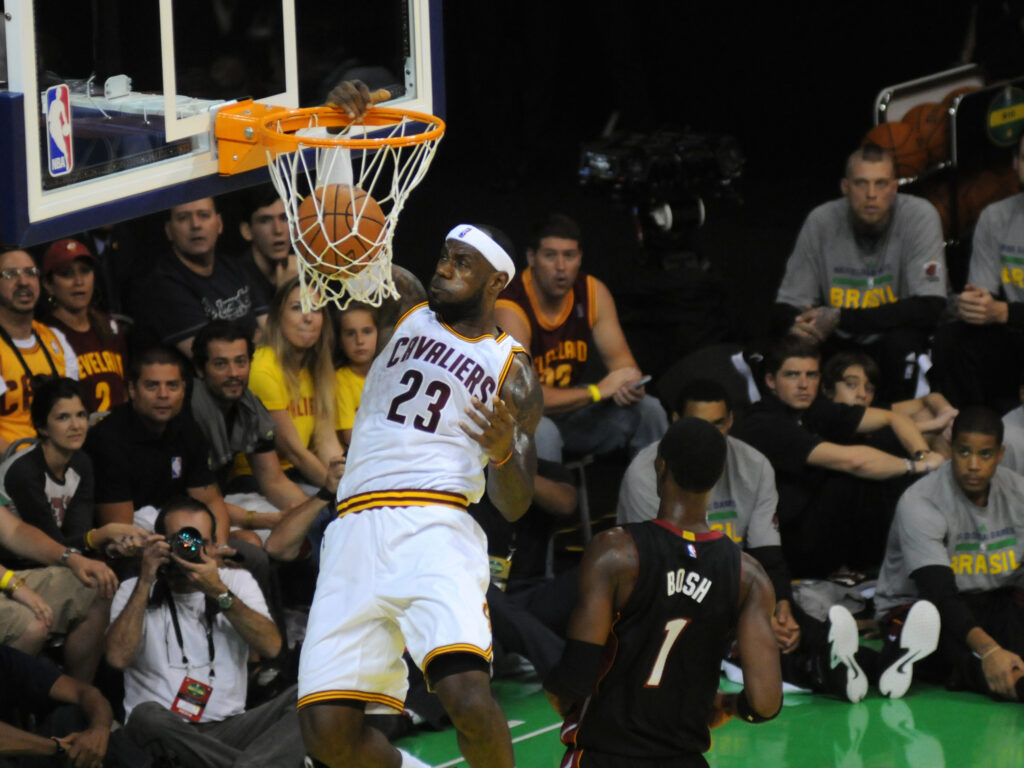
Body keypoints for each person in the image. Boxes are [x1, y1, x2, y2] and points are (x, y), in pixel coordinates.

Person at [297, 222, 542, 768]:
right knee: (326, 733)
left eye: (463, 263)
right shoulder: (404, 305)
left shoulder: (512, 369)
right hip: (354, 530)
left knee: (469, 700)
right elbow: (353, 259)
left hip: (435, 529)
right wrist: (335, 218)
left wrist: (503, 450)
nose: (445, 268)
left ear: (496, 281)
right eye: (445, 256)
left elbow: (516, 502)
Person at [544, 417, 782, 766]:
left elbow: (572, 683)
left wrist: (563, 699)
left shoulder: (616, 553)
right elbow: (764, 703)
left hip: (604, 756)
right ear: (717, 476)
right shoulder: (749, 575)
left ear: (661, 466)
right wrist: (729, 705)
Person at [105, 497, 305, 767]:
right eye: (178, 539)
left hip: (230, 729)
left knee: (309, 698)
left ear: (212, 546)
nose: (188, 548)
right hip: (166, 733)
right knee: (146, 717)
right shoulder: (133, 589)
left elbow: (271, 647)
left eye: (197, 540)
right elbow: (117, 658)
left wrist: (217, 591)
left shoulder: (235, 582)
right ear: (159, 541)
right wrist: (146, 579)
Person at [731, 335, 945, 577]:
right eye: (792, 375)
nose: (803, 384)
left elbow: (893, 417)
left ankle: (913, 557)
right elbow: (852, 461)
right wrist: (918, 466)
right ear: (770, 380)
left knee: (887, 446)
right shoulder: (762, 423)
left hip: (814, 527)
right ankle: (890, 566)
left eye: (811, 375)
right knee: (856, 473)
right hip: (782, 544)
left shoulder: (813, 410)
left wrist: (924, 453)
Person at [616, 379, 799, 653]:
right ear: (676, 421)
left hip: (732, 588)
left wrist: (780, 605)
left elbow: (766, 553)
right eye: (699, 425)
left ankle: (824, 666)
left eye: (718, 424)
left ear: (731, 421)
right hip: (667, 593)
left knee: (800, 629)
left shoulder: (755, 465)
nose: (710, 436)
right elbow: (660, 570)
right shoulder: (646, 471)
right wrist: (749, 620)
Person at [772, 143, 947, 402]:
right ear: (845, 187)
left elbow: (931, 305)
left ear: (894, 187)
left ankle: (896, 420)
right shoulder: (821, 220)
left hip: (890, 337)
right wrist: (798, 327)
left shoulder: (919, 216)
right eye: (861, 183)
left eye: (881, 183)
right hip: (834, 338)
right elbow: (787, 305)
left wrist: (840, 317)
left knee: (903, 341)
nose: (871, 194)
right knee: (783, 345)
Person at [875, 406, 1024, 703]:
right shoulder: (921, 501)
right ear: (951, 450)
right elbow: (938, 593)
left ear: (1000, 455)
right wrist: (990, 651)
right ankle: (1003, 679)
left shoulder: (1018, 492)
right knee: (950, 647)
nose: (973, 465)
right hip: (920, 608)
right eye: (964, 452)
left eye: (984, 454)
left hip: (994, 600)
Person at [494, 213, 667, 462]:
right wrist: (597, 392)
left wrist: (629, 386)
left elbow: (625, 368)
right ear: (532, 258)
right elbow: (525, 398)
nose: (561, 267)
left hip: (571, 409)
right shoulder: (511, 305)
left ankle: (653, 495)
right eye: (550, 255)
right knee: (546, 433)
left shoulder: (592, 291)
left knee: (649, 410)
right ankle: (556, 499)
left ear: (580, 258)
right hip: (518, 417)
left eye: (569, 255)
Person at [929, 131, 1024, 411]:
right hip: (1013, 330)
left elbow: (1000, 312)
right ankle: (967, 429)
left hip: (1012, 318)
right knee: (953, 339)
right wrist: (975, 304)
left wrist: (1005, 312)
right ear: (1016, 164)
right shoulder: (996, 217)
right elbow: (983, 295)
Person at [190, 320, 313, 529]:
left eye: (241, 362)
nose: (234, 373)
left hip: (220, 504)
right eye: (221, 364)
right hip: (176, 512)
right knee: (257, 544)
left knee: (311, 526)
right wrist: (266, 520)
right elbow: (201, 499)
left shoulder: (250, 407)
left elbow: (274, 481)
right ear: (200, 369)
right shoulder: (188, 411)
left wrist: (313, 514)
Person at [129, 197, 268, 358]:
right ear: (169, 231)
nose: (195, 225)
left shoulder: (234, 268)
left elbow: (271, 332)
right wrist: (256, 339)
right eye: (183, 218)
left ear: (219, 224)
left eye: (203, 215)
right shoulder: (164, 284)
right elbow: (210, 359)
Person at [0, 489, 116, 680]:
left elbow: (14, 531)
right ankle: (15, 705)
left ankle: (77, 697)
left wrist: (70, 558)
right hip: (6, 579)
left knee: (95, 586)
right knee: (30, 624)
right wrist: (14, 585)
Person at [248, 277, 345, 490]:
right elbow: (294, 452)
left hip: (300, 474)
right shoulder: (262, 368)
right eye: (297, 308)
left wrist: (353, 484)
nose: (308, 318)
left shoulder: (318, 370)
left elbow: (327, 443)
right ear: (277, 317)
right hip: (259, 481)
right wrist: (341, 493)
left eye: (316, 309)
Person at [0, 644, 151, 768]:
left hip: (32, 754)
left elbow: (85, 692)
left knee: (74, 717)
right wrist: (59, 747)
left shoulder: (6, 657)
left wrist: (98, 731)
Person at [0, 245, 78, 454]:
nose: (23, 282)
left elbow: (74, 410)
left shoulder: (55, 339)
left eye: (31, 273)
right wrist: (27, 465)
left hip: (58, 459)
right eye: (10, 274)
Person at [40, 238, 128, 415]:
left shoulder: (110, 326)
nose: (79, 281)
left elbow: (124, 390)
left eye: (85, 271)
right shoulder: (44, 334)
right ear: (48, 285)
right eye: (67, 274)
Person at [821, 350, 957, 456]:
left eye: (869, 389)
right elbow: (894, 427)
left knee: (931, 415)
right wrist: (937, 424)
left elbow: (928, 399)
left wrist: (946, 411)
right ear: (828, 391)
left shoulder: (872, 409)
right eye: (851, 385)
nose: (862, 394)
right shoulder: (822, 414)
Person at [237, 185, 298, 307]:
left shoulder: (305, 266)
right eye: (265, 220)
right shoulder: (237, 281)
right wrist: (286, 292)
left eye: (284, 218)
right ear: (247, 231)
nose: (278, 230)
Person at [333, 302, 379, 446]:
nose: (359, 341)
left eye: (367, 331)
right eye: (350, 333)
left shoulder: (390, 374)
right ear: (340, 340)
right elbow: (351, 438)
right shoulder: (339, 380)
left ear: (379, 333)